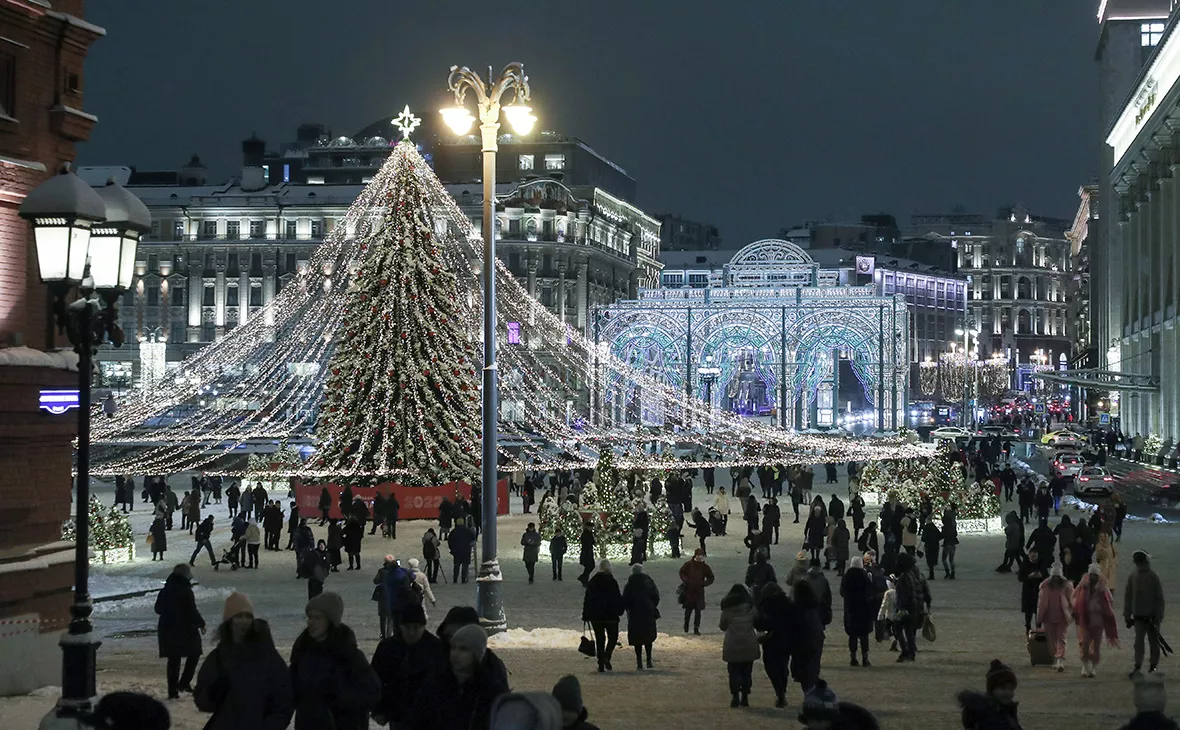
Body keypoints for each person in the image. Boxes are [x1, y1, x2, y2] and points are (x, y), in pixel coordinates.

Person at [192, 592, 293, 730]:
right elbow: (202, 700)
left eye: (248, 616)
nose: (244, 621)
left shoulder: (267, 655)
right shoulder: (218, 657)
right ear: (229, 621)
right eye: (238, 616)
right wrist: (212, 694)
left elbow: (284, 701)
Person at [290, 592, 380, 730]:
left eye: (318, 618)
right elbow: (290, 691)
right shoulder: (302, 652)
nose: (311, 622)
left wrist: (340, 700)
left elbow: (371, 693)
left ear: (330, 621)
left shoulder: (350, 655)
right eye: (309, 617)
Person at [370, 602, 445, 729]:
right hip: (398, 714)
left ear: (423, 626)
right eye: (407, 627)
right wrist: (379, 710)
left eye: (416, 627)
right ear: (400, 626)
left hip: (429, 716)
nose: (411, 632)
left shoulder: (436, 648)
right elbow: (375, 679)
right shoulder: (388, 648)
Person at [154, 564, 206, 699]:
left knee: (173, 660)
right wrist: (201, 623)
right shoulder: (186, 591)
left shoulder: (165, 590)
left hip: (167, 628)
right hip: (185, 628)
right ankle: (183, 682)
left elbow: (158, 609)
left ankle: (172, 691)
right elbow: (191, 610)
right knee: (194, 653)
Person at [1125, 550, 1166, 678]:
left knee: (1148, 643)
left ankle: (1150, 666)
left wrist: (1158, 616)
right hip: (1142, 617)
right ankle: (1145, 666)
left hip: (1150, 618)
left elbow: (1159, 599)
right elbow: (1129, 597)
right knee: (1142, 643)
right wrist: (1127, 615)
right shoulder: (1135, 577)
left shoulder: (1151, 577)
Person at [1074, 562, 1120, 678]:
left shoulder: (1103, 589)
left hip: (1098, 622)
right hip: (1085, 620)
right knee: (1084, 644)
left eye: (1095, 575)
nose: (1093, 578)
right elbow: (1075, 599)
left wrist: (1105, 612)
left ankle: (1093, 668)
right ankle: (1084, 666)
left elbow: (1110, 602)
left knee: (1097, 646)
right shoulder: (1082, 587)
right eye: (1091, 575)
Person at [719, 584, 760, 708]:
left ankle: (735, 696)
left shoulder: (727, 610)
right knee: (747, 672)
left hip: (733, 643)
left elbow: (722, 626)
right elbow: (757, 622)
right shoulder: (751, 608)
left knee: (733, 672)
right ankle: (745, 696)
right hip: (749, 642)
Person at [753, 582, 792, 708]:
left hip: (771, 641)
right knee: (783, 666)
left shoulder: (765, 604)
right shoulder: (787, 603)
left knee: (771, 667)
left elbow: (759, 623)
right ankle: (782, 691)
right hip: (785, 640)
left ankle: (779, 691)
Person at [582, 559, 624, 672]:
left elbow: (588, 599)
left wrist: (585, 614)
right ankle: (606, 656)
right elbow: (617, 597)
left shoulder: (593, 581)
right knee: (613, 638)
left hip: (596, 616)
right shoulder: (611, 581)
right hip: (610, 615)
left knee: (600, 639)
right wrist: (620, 610)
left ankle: (601, 662)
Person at [956, 659, 1021, 730]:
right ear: (992, 690)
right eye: (1003, 688)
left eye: (1011, 689)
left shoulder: (1008, 711)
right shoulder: (984, 715)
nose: (1008, 692)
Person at [1037, 561, 1076, 673]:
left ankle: (1060, 660)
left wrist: (1074, 611)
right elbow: (1040, 604)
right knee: (1051, 640)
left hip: (1062, 617)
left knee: (1061, 639)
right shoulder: (1044, 586)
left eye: (1057, 577)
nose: (1055, 579)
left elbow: (1072, 600)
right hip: (1048, 617)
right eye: (1054, 576)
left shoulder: (1067, 586)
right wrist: (1039, 618)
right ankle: (1055, 657)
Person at [790, 579, 826, 696]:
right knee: (813, 664)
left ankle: (808, 690)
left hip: (801, 638)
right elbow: (827, 616)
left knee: (802, 666)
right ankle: (811, 687)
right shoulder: (816, 603)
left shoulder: (795, 606)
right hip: (816, 636)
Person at [622, 563, 660, 670]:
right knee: (648, 637)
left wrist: (628, 608)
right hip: (648, 613)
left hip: (635, 614)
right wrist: (652, 606)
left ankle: (639, 662)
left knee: (637, 638)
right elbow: (656, 595)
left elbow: (625, 599)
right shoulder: (648, 582)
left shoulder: (630, 584)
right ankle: (648, 660)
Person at [893, 552, 930, 662]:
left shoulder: (905, 577)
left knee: (897, 628)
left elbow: (906, 594)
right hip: (916, 607)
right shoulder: (915, 574)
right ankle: (911, 652)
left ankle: (905, 651)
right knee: (909, 630)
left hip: (907, 607)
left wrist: (902, 608)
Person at [841, 555, 875, 667]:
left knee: (852, 635)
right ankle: (865, 658)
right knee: (864, 635)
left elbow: (842, 592)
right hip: (863, 609)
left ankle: (853, 658)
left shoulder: (847, 576)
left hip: (851, 609)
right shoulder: (864, 576)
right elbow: (870, 591)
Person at [680, 548, 715, 635]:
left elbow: (711, 577)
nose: (699, 557)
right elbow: (682, 572)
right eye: (698, 555)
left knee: (698, 611)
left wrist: (704, 583)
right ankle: (686, 624)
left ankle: (696, 628)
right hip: (689, 591)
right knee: (688, 610)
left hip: (699, 591)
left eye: (701, 555)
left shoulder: (705, 567)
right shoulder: (688, 564)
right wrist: (686, 580)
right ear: (695, 555)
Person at [1017, 549, 1046, 634]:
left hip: (1039, 590)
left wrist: (1041, 575)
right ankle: (1028, 626)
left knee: (1039, 610)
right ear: (1029, 555)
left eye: (1036, 556)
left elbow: (1046, 576)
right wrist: (1029, 576)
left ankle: (1039, 628)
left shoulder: (1041, 563)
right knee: (1028, 610)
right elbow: (1020, 578)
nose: (1034, 558)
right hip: (1028, 590)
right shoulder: (1024, 564)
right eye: (1032, 556)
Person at [448, 517, 476, 584]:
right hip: (466, 551)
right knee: (465, 566)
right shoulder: (468, 531)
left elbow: (450, 542)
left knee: (456, 565)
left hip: (456, 551)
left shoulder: (453, 532)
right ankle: (463, 579)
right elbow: (473, 538)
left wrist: (452, 550)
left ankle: (455, 579)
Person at [920, 515, 942, 580]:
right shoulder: (934, 527)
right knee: (933, 559)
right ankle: (931, 573)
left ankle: (931, 574)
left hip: (928, 545)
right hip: (935, 545)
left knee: (929, 560)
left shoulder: (926, 528)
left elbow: (923, 538)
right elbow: (940, 535)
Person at [942, 506, 959, 580]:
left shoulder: (945, 527)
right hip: (952, 543)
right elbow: (955, 534)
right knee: (951, 559)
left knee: (944, 559)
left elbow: (942, 535)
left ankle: (947, 572)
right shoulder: (953, 524)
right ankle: (953, 573)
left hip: (946, 543)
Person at [577, 520, 596, 585]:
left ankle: (584, 578)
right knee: (589, 566)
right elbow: (587, 542)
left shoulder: (589, 533)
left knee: (589, 566)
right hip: (586, 552)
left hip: (588, 552)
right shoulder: (586, 534)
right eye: (591, 527)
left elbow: (592, 541)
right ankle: (584, 579)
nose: (591, 528)